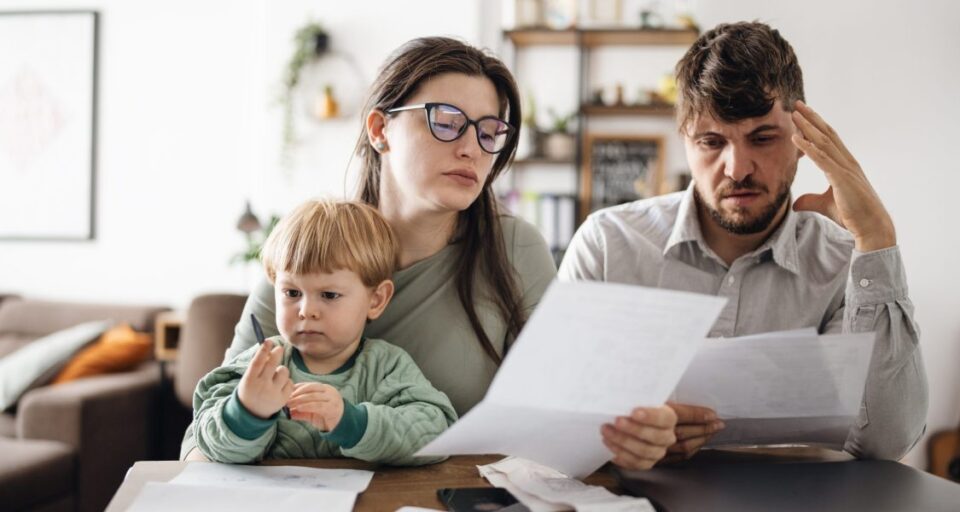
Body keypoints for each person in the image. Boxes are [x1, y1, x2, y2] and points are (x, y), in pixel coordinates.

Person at [182, 37, 677, 470]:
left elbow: (566, 418)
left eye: (488, 132)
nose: (471, 149)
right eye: (446, 121)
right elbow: (205, 436)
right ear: (380, 130)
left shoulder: (515, 249)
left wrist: (630, 433)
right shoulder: (309, 250)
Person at [559, 21, 927, 461]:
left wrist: (876, 238)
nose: (737, 169)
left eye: (763, 138)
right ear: (685, 144)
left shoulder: (847, 264)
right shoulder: (607, 245)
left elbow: (886, 442)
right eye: (712, 142)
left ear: (803, 139)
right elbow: (555, 416)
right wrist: (623, 435)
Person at [192, 200, 457, 465]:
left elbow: (435, 434)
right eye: (292, 293)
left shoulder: (386, 367)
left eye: (329, 295)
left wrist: (351, 422)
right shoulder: (258, 365)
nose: (306, 311)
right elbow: (206, 439)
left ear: (376, 300)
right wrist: (246, 412)